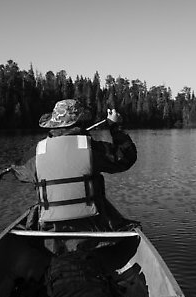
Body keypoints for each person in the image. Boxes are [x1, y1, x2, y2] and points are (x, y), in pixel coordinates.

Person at [11, 99, 139, 237]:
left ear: (53, 125)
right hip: (94, 230)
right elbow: (126, 157)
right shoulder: (92, 148)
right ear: (80, 122)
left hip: (50, 232)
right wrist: (115, 127)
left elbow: (19, 171)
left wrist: (46, 142)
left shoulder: (37, 152)